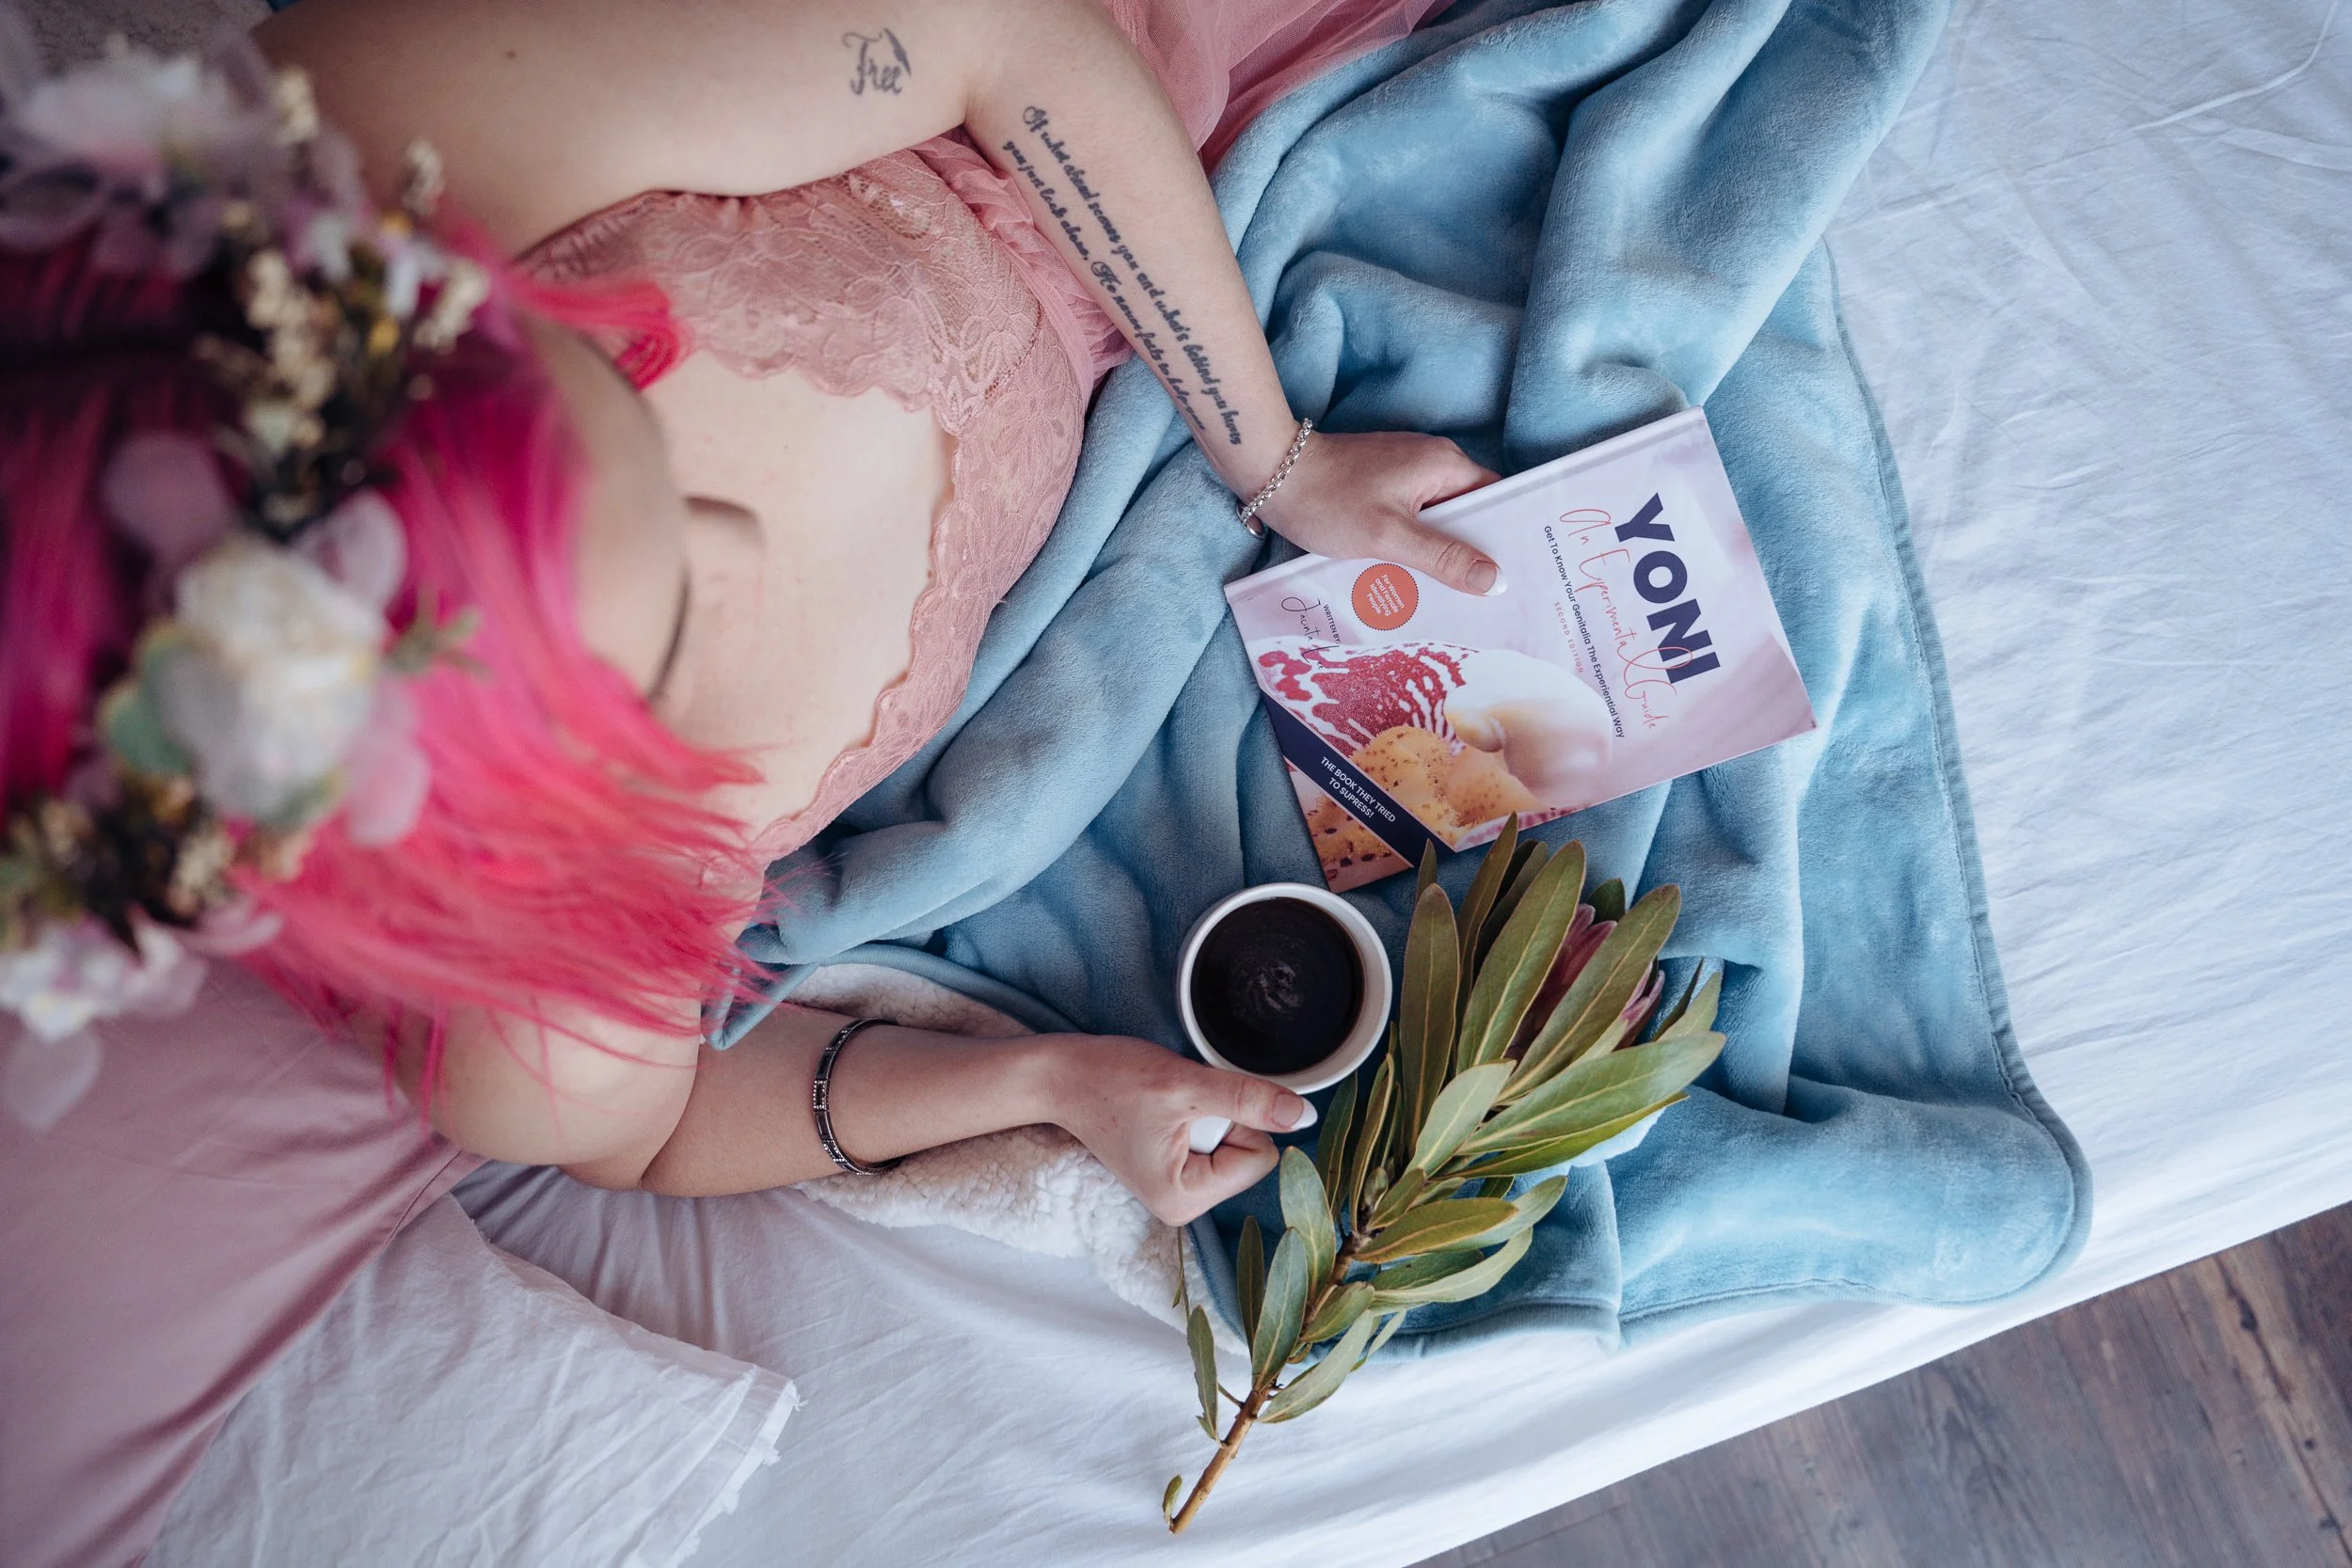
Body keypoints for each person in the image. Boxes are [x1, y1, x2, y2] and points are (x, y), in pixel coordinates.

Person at [2, 0, 1501, 1232]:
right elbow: (655, 1129)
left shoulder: (350, 155)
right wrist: (1051, 1085)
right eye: (659, 653)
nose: (725, 556)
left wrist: (1278, 457)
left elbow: (1000, 35)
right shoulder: (523, 1010)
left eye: (613, 406)